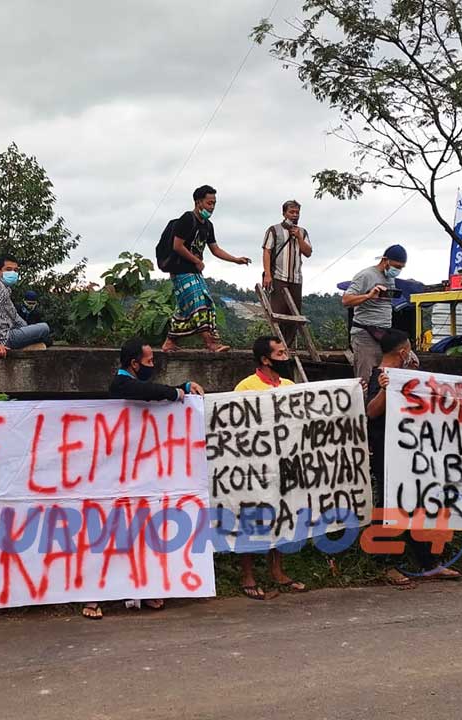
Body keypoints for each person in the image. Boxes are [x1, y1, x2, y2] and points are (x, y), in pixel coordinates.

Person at [80, 337, 205, 619]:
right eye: (149, 361)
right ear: (134, 364)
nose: (153, 365)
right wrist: (175, 393)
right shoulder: (120, 383)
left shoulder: (141, 385)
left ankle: (143, 588)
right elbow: (139, 390)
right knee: (109, 534)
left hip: (141, 473)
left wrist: (182, 389)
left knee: (143, 533)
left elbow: (150, 392)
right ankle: (93, 596)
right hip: (112, 473)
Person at [366, 330, 462, 586]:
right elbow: (371, 412)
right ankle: (386, 565)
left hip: (414, 456)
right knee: (388, 508)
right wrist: (387, 390)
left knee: (420, 506)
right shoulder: (380, 377)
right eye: (410, 349)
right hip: (388, 456)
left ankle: (429, 563)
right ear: (403, 352)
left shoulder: (410, 378)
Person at [233, 336, 310, 598]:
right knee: (251, 518)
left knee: (282, 516)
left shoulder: (289, 385)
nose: (285, 357)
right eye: (280, 353)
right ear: (266, 360)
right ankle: (248, 575)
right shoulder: (245, 387)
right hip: (255, 467)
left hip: (284, 465)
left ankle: (277, 570)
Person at [160, 185, 251, 353]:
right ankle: (211, 343)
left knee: (184, 308)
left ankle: (169, 342)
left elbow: (215, 249)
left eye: (214, 203)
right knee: (201, 302)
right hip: (181, 270)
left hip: (194, 271)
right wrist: (196, 260)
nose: (212, 207)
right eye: (209, 203)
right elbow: (177, 246)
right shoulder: (187, 219)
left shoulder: (208, 225)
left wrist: (235, 260)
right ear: (198, 202)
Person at [342, 245, 408, 383]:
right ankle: (364, 403)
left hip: (384, 333)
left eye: (401, 268)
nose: (398, 270)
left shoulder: (390, 278)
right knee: (365, 377)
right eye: (396, 266)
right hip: (365, 333)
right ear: (385, 260)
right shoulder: (366, 275)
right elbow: (346, 300)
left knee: (406, 363)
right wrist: (368, 296)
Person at [0, 255, 53, 357]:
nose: (13, 273)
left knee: (41, 334)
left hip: (2, 335)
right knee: (44, 328)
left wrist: (28, 330)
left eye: (15, 270)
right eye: (8, 269)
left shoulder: (4, 288)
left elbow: (14, 316)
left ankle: (31, 343)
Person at [261, 200, 312, 347]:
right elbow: (267, 251)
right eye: (291, 212)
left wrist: (299, 237)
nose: (294, 215)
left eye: (297, 212)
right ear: (284, 213)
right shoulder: (274, 230)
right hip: (278, 277)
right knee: (278, 314)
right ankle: (276, 346)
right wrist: (267, 274)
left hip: (296, 278)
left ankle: (287, 347)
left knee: (294, 315)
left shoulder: (303, 232)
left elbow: (308, 252)